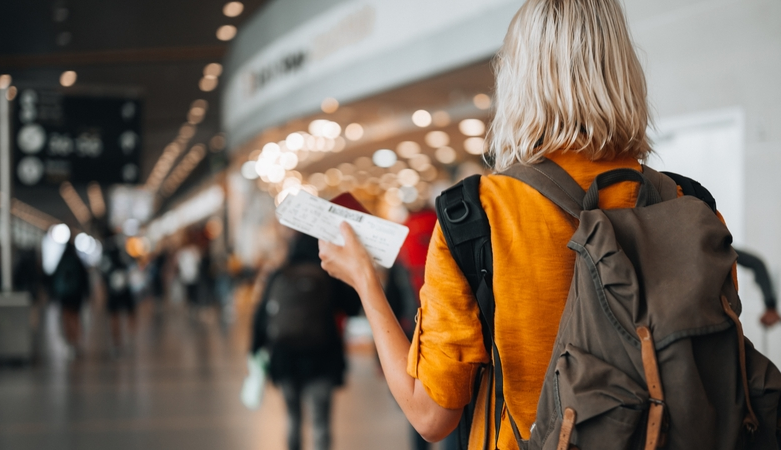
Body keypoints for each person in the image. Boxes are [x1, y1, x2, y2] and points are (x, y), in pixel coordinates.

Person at [318, 0, 694, 448]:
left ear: (518, 79)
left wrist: (364, 279)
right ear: (622, 70)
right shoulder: (685, 205)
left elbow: (430, 416)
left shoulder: (477, 213)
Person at [251, 233, 360, 450]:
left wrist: (255, 350)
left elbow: (261, 316)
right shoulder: (329, 276)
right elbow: (352, 307)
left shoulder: (279, 274)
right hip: (322, 359)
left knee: (293, 419)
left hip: (285, 359)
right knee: (320, 423)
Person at [52, 242, 90, 356]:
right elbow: (85, 279)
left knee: (66, 318)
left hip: (64, 296)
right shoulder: (78, 262)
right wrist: (87, 294)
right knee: (75, 317)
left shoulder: (61, 261)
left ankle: (69, 342)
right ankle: (76, 341)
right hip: (77, 296)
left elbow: (54, 279)